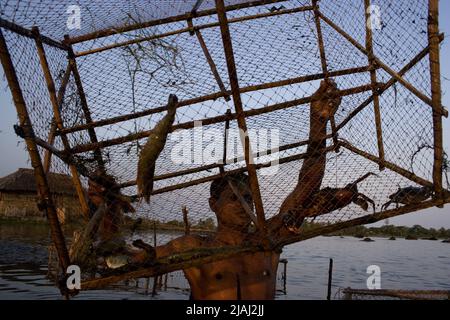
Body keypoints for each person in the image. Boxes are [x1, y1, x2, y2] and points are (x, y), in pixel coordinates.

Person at [89, 79, 342, 299]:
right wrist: (108, 206)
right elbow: (125, 263)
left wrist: (318, 122)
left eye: (248, 198)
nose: (245, 205)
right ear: (214, 205)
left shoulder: (268, 239)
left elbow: (307, 184)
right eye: (235, 198)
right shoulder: (193, 248)